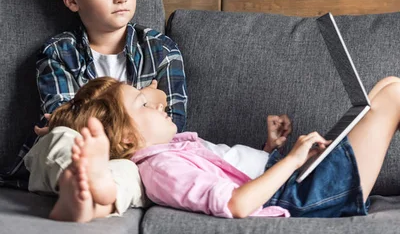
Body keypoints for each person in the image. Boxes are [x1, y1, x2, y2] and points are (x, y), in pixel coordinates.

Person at [6, 0, 187, 217]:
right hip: (78, 147)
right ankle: (77, 184)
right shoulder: (57, 52)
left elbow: (174, 125)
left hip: (136, 156)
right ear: (72, 0)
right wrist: (146, 98)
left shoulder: (161, 49)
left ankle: (91, 199)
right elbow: (61, 116)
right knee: (59, 139)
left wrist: (155, 106)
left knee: (138, 169)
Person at [48, 74, 400, 222]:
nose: (157, 104)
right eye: (142, 104)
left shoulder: (171, 149)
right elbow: (237, 203)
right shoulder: (160, 168)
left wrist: (271, 149)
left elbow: (233, 175)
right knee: (392, 95)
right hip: (304, 199)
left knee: (388, 85)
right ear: (127, 139)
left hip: (295, 185)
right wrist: (292, 161)